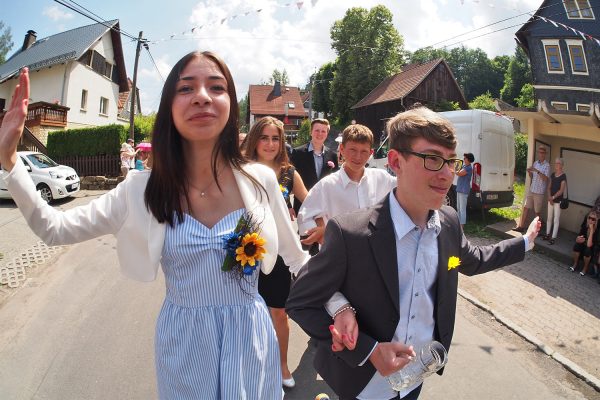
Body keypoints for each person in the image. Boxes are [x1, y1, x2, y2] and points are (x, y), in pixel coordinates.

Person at [0, 53, 311, 399]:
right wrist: (11, 162)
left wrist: (342, 308)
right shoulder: (140, 191)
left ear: (230, 105)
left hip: (250, 340)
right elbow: (53, 228)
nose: (202, 96)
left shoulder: (259, 180)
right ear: (169, 107)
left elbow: (297, 259)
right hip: (185, 346)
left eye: (216, 87)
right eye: (186, 87)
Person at [286, 107, 541, 400]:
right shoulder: (351, 233)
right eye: (432, 159)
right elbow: (301, 301)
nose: (447, 174)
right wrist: (367, 349)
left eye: (451, 162)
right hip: (363, 385)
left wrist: (524, 243)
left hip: (415, 378)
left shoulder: (447, 224)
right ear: (396, 161)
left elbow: (468, 261)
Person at [242, 116, 309, 388]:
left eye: (275, 138)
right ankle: (248, 363)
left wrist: (321, 227)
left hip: (279, 252)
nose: (270, 144)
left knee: (278, 312)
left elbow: (312, 201)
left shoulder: (288, 173)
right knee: (243, 310)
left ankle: (282, 364)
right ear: (254, 139)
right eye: (264, 137)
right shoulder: (241, 170)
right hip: (244, 251)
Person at [297, 123, 396, 247]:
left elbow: (406, 190)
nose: (358, 156)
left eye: (364, 151)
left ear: (371, 153)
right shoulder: (327, 185)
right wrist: (323, 232)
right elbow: (304, 217)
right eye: (353, 150)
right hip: (341, 254)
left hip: (376, 251)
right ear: (342, 149)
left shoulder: (382, 178)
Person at [290, 118, 338, 217]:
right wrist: (288, 205)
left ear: (327, 134)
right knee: (306, 232)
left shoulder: (332, 155)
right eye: (317, 130)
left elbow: (336, 182)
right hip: (303, 205)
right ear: (311, 132)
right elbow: (288, 179)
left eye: (323, 131)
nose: (320, 134)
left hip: (326, 206)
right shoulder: (297, 153)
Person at [515, 145, 550, 232]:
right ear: (538, 153)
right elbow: (532, 177)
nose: (541, 154)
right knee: (526, 207)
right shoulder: (535, 163)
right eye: (540, 152)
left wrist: (537, 171)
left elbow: (545, 179)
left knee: (537, 212)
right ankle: (521, 226)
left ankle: (536, 230)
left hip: (539, 192)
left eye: (542, 153)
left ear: (545, 154)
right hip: (532, 189)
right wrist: (529, 172)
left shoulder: (547, 165)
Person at [542, 158, 567, 245]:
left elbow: (561, 190)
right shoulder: (552, 175)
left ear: (562, 165)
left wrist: (552, 198)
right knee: (549, 218)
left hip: (557, 201)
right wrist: (549, 197)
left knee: (556, 219)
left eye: (558, 163)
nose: (556, 164)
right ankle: (547, 234)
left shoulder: (563, 176)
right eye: (556, 163)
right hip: (551, 200)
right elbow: (549, 187)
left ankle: (553, 237)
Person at [570, 211, 598, 276]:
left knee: (587, 250)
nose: (590, 220)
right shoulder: (584, 227)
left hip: (591, 250)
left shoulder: (596, 231)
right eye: (589, 218)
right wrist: (579, 239)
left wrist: (591, 231)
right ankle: (575, 264)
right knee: (577, 246)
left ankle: (585, 268)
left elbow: (589, 245)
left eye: (593, 219)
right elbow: (577, 239)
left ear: (595, 221)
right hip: (583, 245)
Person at [455, 152, 474, 227]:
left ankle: (462, 227)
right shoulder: (464, 166)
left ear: (468, 159)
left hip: (464, 190)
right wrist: (457, 166)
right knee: (459, 208)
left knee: (462, 209)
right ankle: (459, 225)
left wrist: (456, 168)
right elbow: (457, 170)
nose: (463, 159)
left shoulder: (468, 168)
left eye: (465, 158)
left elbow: (459, 173)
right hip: (459, 189)